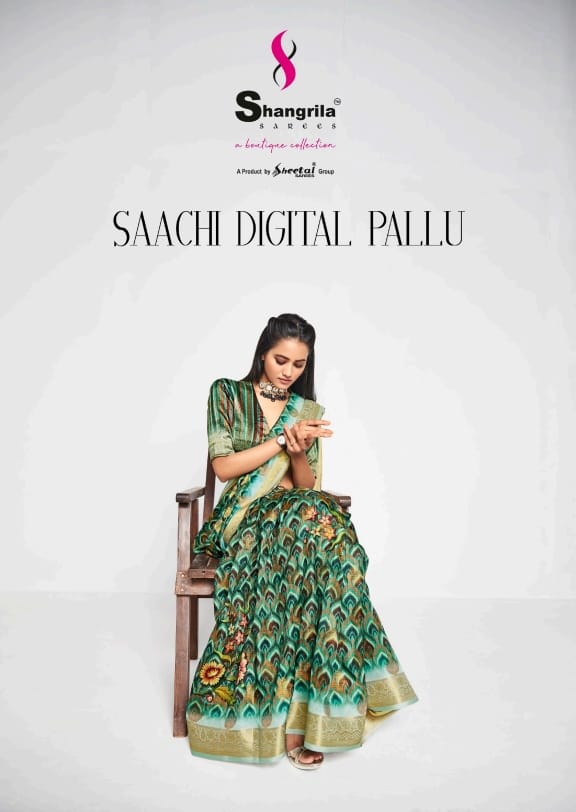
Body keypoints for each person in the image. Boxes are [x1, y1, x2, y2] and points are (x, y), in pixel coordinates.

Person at [186, 313, 418, 768]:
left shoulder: (305, 411)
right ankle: (301, 721)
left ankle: (312, 716)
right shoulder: (226, 393)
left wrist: (297, 451)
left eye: (299, 364)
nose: (288, 371)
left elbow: (307, 485)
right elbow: (224, 468)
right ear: (262, 354)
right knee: (315, 545)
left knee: (338, 557)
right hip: (247, 518)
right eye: (280, 360)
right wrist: (280, 441)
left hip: (295, 512)